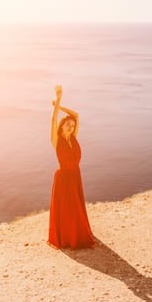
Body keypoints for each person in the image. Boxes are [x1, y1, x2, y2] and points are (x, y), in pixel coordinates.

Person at [48, 85, 96, 249]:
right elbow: (53, 120)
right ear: (61, 126)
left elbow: (76, 115)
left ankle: (77, 233)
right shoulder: (56, 140)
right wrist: (58, 99)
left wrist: (59, 106)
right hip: (63, 177)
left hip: (75, 175)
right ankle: (68, 237)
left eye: (72, 125)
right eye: (68, 125)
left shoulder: (74, 137)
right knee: (67, 208)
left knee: (76, 206)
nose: (71, 127)